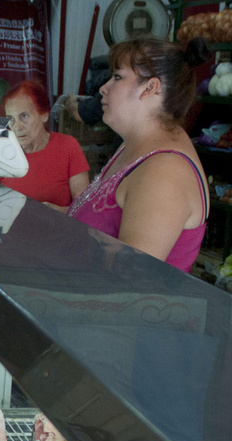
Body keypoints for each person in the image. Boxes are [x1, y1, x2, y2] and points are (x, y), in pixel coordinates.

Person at [67, 37, 211, 273]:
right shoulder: (133, 146)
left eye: (117, 77)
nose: (104, 87)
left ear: (150, 88)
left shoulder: (165, 171)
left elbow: (130, 276)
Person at [0, 80, 90, 212]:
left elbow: (84, 210)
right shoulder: (1, 152)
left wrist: (57, 212)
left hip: (57, 230)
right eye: (11, 119)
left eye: (24, 116)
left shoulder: (68, 146)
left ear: (44, 115)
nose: (17, 126)